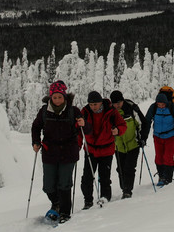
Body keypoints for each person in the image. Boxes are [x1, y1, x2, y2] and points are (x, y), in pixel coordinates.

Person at [31, 80, 89, 224]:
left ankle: (64, 212)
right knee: (48, 185)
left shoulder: (73, 111)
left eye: (60, 97)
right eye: (55, 97)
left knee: (64, 184)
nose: (57, 100)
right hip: (49, 151)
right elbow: (36, 127)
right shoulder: (44, 111)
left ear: (64, 97)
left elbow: (87, 130)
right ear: (51, 97)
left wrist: (84, 124)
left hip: (68, 152)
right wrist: (36, 141)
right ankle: (56, 203)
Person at [79, 91, 127, 208]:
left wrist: (118, 130)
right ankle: (88, 200)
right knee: (87, 177)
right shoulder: (84, 112)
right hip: (91, 150)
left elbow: (122, 125)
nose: (93, 107)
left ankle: (105, 197)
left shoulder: (111, 111)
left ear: (101, 103)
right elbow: (79, 130)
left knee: (104, 176)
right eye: (91, 104)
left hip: (106, 149)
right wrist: (77, 144)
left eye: (95, 104)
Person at [141, 88, 174, 186]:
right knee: (158, 158)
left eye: (162, 104)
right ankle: (162, 176)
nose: (160, 106)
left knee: (168, 157)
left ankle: (168, 178)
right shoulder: (153, 108)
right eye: (159, 104)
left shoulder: (172, 107)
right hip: (157, 136)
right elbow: (147, 122)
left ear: (166, 103)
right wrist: (144, 137)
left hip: (171, 136)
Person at [110, 90, 147, 199]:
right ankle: (124, 187)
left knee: (129, 168)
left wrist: (143, 138)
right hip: (118, 146)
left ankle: (127, 190)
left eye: (119, 103)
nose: (117, 105)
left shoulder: (131, 109)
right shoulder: (111, 113)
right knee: (120, 169)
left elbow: (143, 123)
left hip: (133, 144)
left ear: (122, 101)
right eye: (115, 103)